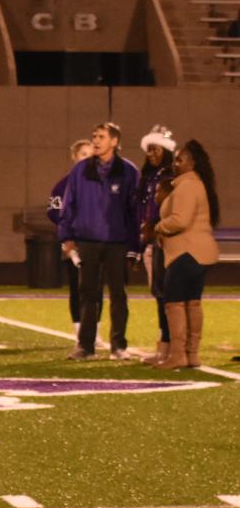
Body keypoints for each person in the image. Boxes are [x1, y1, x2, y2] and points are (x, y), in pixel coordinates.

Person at [56, 121, 141, 359]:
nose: (96, 140)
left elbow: (134, 212)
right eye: (94, 136)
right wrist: (67, 236)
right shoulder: (80, 170)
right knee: (88, 294)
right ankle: (85, 346)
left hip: (117, 242)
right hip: (88, 240)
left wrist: (135, 246)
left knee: (118, 295)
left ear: (114, 141)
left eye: (101, 136)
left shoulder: (128, 171)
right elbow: (68, 204)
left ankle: (119, 346)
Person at [150, 140, 220, 369]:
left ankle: (178, 354)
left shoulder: (188, 185)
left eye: (180, 159)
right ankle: (191, 354)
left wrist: (158, 227)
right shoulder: (196, 183)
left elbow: (180, 220)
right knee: (192, 303)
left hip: (186, 253)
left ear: (193, 163)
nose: (175, 163)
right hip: (198, 253)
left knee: (174, 303)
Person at [134, 126, 176, 365]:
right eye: (148, 149)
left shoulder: (170, 175)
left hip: (164, 239)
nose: (150, 153)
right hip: (151, 240)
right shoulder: (148, 176)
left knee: (165, 294)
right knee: (158, 293)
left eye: (155, 148)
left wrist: (155, 226)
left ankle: (169, 345)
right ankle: (165, 344)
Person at [46, 138, 96, 329]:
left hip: (95, 241)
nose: (87, 159)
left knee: (95, 288)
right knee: (77, 287)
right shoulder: (63, 184)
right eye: (83, 154)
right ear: (75, 157)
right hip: (74, 242)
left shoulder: (99, 181)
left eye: (91, 155)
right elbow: (53, 211)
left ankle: (94, 329)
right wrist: (70, 230)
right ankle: (78, 329)